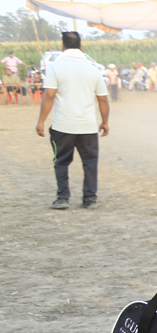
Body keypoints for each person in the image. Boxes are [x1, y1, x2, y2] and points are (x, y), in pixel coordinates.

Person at [35, 32, 109, 210]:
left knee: (61, 161)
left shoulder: (55, 67)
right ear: (81, 47)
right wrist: (105, 122)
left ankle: (63, 198)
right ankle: (90, 199)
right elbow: (103, 99)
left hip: (63, 125)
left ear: (63, 46)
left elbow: (49, 95)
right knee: (90, 163)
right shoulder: (93, 69)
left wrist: (41, 121)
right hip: (88, 126)